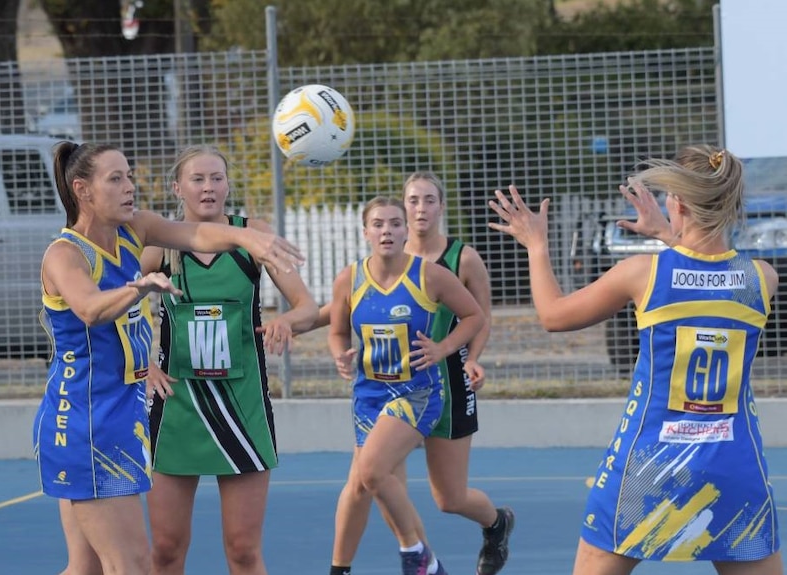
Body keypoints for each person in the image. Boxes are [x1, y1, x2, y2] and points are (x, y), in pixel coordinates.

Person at [488, 145, 783, 575]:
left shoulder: (643, 274)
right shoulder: (761, 278)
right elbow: (708, 277)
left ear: (677, 202)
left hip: (650, 467)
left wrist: (536, 244)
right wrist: (670, 233)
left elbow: (553, 315)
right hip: (733, 466)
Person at [32, 141, 304, 575]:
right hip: (85, 420)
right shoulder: (65, 254)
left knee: (87, 569)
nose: (129, 187)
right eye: (115, 179)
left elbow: (195, 233)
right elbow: (89, 309)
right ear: (83, 190)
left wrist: (247, 235)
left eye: (129, 176)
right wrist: (139, 289)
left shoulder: (133, 231)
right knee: (133, 565)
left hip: (120, 413)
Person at [141, 145, 319, 575]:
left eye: (216, 178)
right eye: (198, 179)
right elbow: (121, 305)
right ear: (177, 187)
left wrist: (286, 323)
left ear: (227, 185)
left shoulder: (251, 236)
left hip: (241, 404)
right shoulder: (162, 244)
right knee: (165, 549)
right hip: (178, 406)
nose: (208, 187)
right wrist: (144, 363)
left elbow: (307, 307)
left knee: (242, 550)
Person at [328, 173, 514, 575]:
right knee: (369, 479)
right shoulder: (366, 269)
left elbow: (479, 317)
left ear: (440, 207)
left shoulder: (457, 260)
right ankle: (415, 560)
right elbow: (337, 318)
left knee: (448, 498)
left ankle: (496, 523)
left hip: (441, 378)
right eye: (413, 201)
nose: (420, 209)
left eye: (429, 200)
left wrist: (469, 358)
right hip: (381, 389)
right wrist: (308, 331)